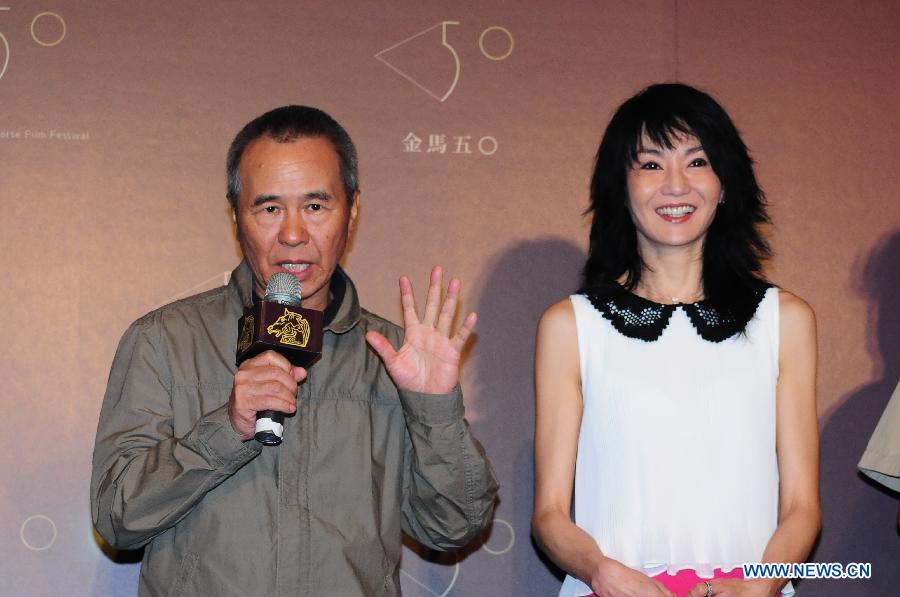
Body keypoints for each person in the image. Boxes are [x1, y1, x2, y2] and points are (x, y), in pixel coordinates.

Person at [91, 105, 498, 596]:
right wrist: (229, 428)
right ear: (236, 215)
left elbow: (453, 527)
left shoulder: (393, 357)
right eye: (269, 208)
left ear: (352, 212)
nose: (292, 233)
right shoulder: (164, 340)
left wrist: (434, 409)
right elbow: (117, 518)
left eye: (315, 206)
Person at [532, 84, 820, 597]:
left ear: (725, 183)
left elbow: (801, 507)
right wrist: (601, 571)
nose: (675, 185)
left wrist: (758, 586)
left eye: (697, 161)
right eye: (650, 165)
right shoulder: (571, 326)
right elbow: (550, 514)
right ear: (620, 187)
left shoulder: (785, 320)